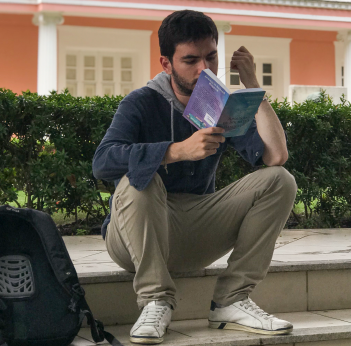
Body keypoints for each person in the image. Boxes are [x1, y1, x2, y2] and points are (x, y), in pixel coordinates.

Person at [92, 9, 298, 345]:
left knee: (280, 180)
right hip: (133, 237)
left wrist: (253, 86)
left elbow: (276, 156)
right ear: (166, 63)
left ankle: (231, 300)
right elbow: (102, 163)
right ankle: (155, 301)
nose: (204, 68)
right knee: (137, 179)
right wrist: (175, 151)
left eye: (211, 56)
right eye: (190, 60)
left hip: (194, 230)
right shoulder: (141, 103)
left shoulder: (218, 103)